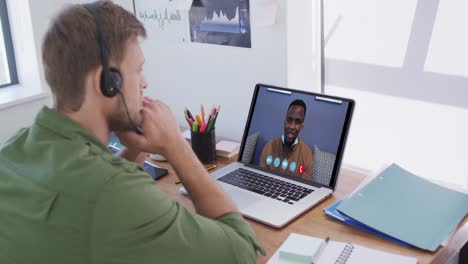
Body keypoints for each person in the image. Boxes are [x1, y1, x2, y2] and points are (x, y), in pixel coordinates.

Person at [0, 1, 263, 263]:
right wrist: (175, 146)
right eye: (138, 70)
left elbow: (90, 188)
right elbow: (244, 252)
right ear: (107, 83)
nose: (145, 82)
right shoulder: (116, 195)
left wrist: (137, 147)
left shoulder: (13, 151)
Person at [259, 99, 314, 180]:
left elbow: (305, 188)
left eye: (297, 122)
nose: (291, 126)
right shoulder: (269, 146)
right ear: (285, 122)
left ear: (302, 127)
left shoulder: (307, 155)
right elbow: (260, 178)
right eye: (289, 120)